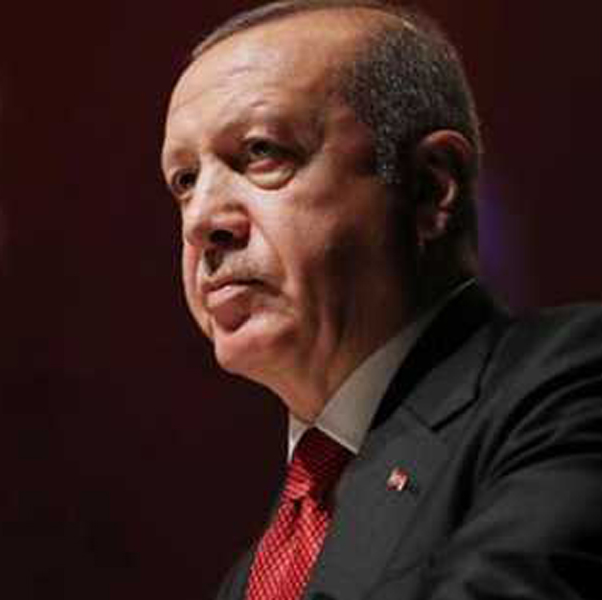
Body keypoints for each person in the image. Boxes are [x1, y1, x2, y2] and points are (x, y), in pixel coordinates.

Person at [160, 1, 602, 599]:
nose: (201, 220)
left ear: (430, 186)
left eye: (262, 152)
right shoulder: (251, 577)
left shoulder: (570, 387)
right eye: (185, 181)